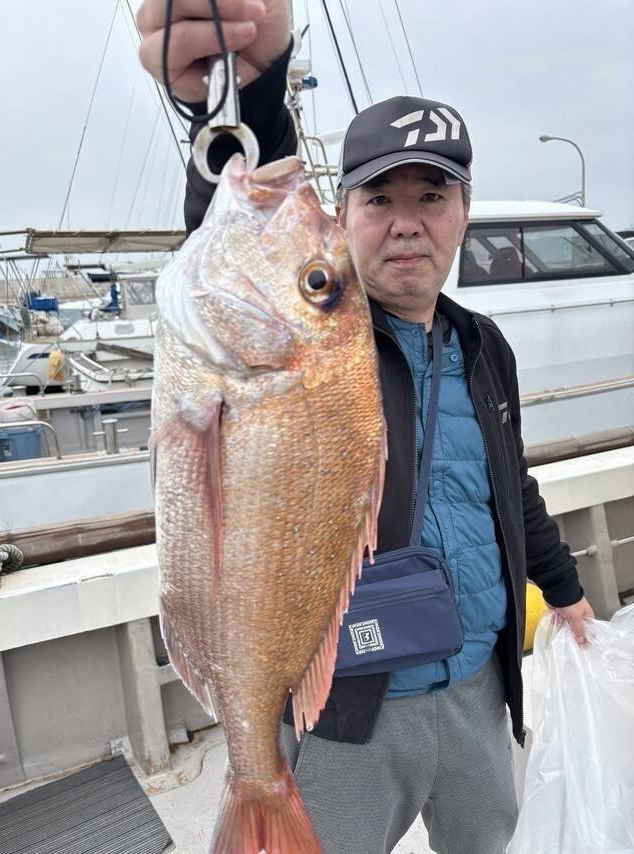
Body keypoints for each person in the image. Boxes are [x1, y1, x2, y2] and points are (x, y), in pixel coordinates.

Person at [138, 3, 595, 852]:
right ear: (345, 215)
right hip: (348, 710)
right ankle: (257, 781)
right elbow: (240, 239)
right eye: (379, 197)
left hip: (478, 686)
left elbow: (509, 486)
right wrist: (248, 90)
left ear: (463, 212)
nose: (406, 221)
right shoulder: (324, 343)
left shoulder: (484, 346)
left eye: (432, 196)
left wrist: (564, 592)